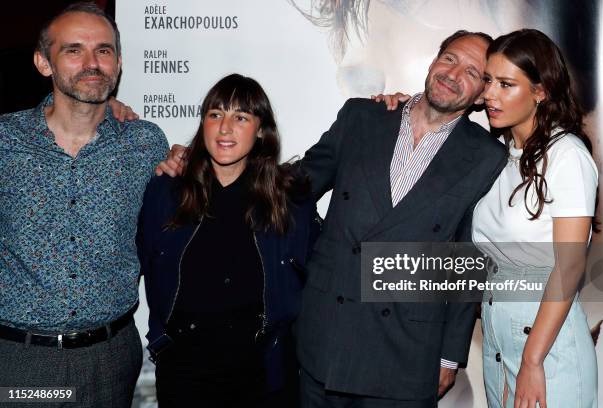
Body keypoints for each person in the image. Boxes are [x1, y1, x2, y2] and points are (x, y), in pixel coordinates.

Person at [156, 31, 509, 407]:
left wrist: (449, 355)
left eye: (472, 72)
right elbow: (295, 185)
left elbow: (466, 261)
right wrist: (199, 164)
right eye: (450, 59)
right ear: (434, 59)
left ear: (480, 94)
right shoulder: (362, 115)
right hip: (326, 336)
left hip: (406, 352)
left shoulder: (484, 155)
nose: (453, 74)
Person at [0, 3, 168, 407]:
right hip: (23, 360)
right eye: (74, 50)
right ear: (44, 63)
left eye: (104, 51)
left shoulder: (144, 144)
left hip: (113, 357)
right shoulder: (5, 142)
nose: (92, 63)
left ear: (119, 63)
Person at [137, 73, 320, 407]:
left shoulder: (289, 198)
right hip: (184, 371)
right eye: (215, 114)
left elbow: (322, 272)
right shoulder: (165, 192)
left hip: (263, 372)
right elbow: (140, 261)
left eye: (241, 117)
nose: (224, 128)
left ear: (261, 130)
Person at [474, 29, 598, 408]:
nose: (489, 94)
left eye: (506, 84)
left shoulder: (567, 156)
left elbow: (570, 266)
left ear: (540, 91)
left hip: (545, 348)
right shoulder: (497, 154)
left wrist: (532, 360)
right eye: (488, 80)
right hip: (497, 337)